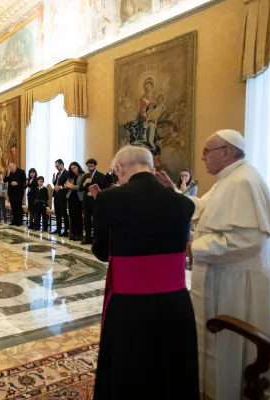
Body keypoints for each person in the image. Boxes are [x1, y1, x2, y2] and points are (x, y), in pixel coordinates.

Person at [156, 129, 270, 400]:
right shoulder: (229, 179)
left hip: (239, 280)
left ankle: (234, 390)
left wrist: (194, 247)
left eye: (206, 152)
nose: (202, 158)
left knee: (233, 342)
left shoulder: (242, 182)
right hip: (227, 274)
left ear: (226, 151)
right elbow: (202, 208)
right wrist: (174, 193)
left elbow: (246, 239)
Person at [93, 145, 199, 399]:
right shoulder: (183, 203)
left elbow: (101, 251)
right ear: (151, 168)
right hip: (176, 302)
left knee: (132, 368)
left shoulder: (109, 198)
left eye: (115, 172)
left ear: (120, 169)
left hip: (130, 304)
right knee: (171, 366)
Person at [81, 158, 105, 244]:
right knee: (86, 221)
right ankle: (87, 239)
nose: (89, 168)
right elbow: (81, 188)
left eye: (91, 166)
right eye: (88, 167)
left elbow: (103, 189)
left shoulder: (101, 175)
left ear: (95, 166)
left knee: (95, 222)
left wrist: (94, 193)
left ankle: (95, 239)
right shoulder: (85, 176)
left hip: (96, 202)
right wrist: (85, 183)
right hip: (87, 202)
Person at [64, 162, 85, 241]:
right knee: (72, 216)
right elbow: (66, 184)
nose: (74, 169)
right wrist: (67, 185)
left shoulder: (83, 175)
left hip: (79, 198)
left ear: (78, 167)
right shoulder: (70, 176)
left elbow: (82, 187)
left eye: (75, 167)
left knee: (78, 216)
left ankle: (79, 234)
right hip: (71, 197)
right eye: (72, 168)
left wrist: (73, 186)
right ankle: (73, 233)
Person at [51, 159, 69, 236]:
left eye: (57, 166)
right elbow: (56, 184)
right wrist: (53, 179)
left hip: (63, 195)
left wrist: (60, 187)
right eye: (56, 166)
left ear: (62, 165)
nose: (57, 168)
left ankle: (66, 230)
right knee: (57, 213)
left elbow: (67, 184)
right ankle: (58, 229)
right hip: (56, 195)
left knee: (63, 213)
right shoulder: (58, 173)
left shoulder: (67, 173)